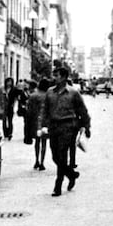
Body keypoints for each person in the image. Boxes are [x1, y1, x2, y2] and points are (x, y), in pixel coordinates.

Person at [38, 64, 91, 197]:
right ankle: (71, 174)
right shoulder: (50, 92)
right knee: (55, 156)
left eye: (57, 76)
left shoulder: (73, 93)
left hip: (68, 127)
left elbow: (83, 111)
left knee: (62, 155)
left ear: (64, 78)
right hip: (53, 126)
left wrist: (86, 126)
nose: (54, 78)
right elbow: (44, 111)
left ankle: (58, 185)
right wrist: (41, 126)